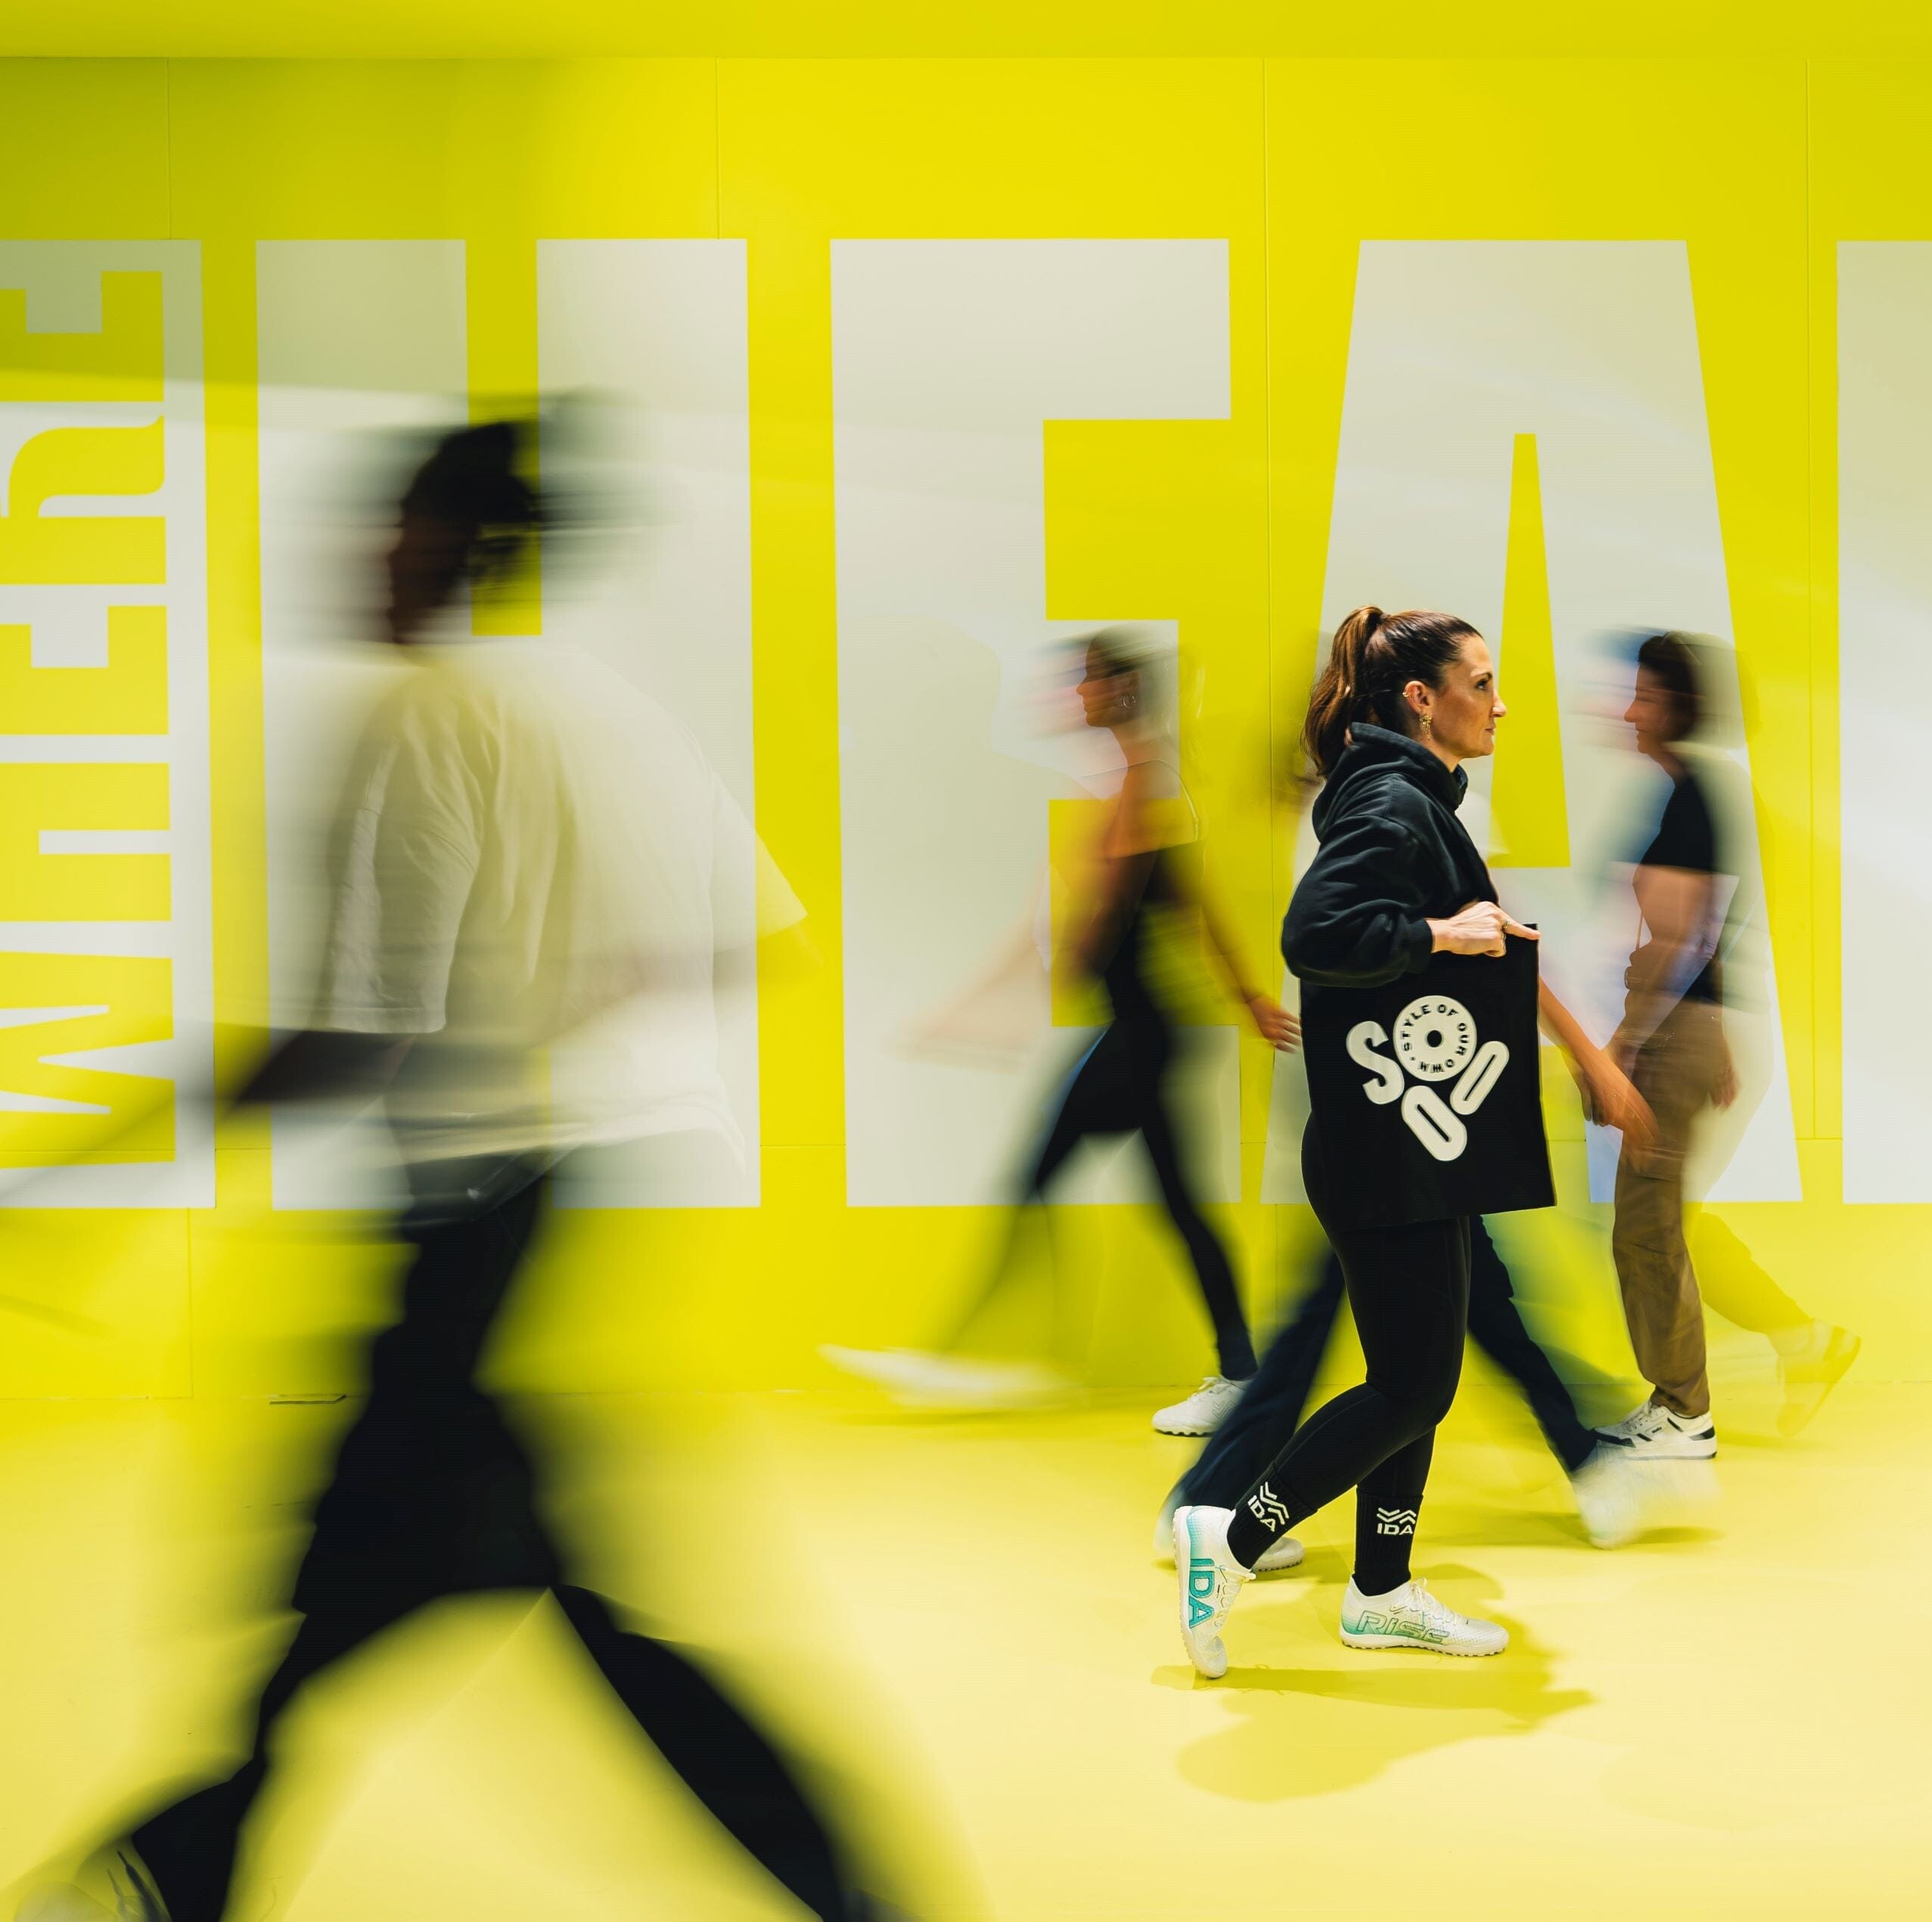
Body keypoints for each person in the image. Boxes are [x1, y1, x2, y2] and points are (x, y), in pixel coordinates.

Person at [21, 424, 902, 1920]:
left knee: (351, 1606)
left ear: (457, 549)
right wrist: (579, 976)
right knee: (428, 1596)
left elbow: (347, 1042)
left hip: (462, 1229)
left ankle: (175, 1870)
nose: (366, 556)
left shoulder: (411, 724)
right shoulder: (587, 713)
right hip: (531, 1209)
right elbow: (771, 934)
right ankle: (183, 1863)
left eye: (398, 530)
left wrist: (88, 1157)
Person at [1171, 607, 1651, 1678]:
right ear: (1420, 700)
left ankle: (1380, 1589)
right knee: (1415, 1384)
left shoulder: (1405, 796)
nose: (1501, 701)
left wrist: (1476, 937)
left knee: (1412, 1370)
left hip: (1413, 1143)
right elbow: (1317, 933)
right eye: (1481, 683)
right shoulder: (1393, 798)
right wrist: (1443, 932)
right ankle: (1235, 1534)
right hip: (1390, 1150)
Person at [825, 630, 1299, 1436]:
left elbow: (1111, 917)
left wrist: (1037, 979)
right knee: (1173, 1206)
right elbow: (1178, 904)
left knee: (1039, 1179)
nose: (1067, 696)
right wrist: (1244, 994)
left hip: (1141, 1031)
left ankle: (984, 1356)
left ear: (1115, 691)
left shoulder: (1144, 782)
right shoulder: (1140, 778)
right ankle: (1237, 1372)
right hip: (1143, 1027)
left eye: (1080, 682)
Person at [1597, 633, 1857, 1459]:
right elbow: (1706, 934)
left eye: (1643, 695)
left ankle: (1682, 1412)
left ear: (1674, 706)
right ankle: (1800, 1342)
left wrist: (1626, 1045)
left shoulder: (1690, 801)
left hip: (1678, 1035)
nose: (1629, 710)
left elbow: (1678, 940)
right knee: (1667, 1220)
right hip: (1697, 1034)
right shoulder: (1696, 794)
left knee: (1646, 1230)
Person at [1157, 1221, 1658, 1565]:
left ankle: (1219, 1499)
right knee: (1422, 1334)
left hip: (1400, 1107)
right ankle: (1220, 1510)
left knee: (1449, 1294)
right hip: (1408, 1110)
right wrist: (1591, 1065)